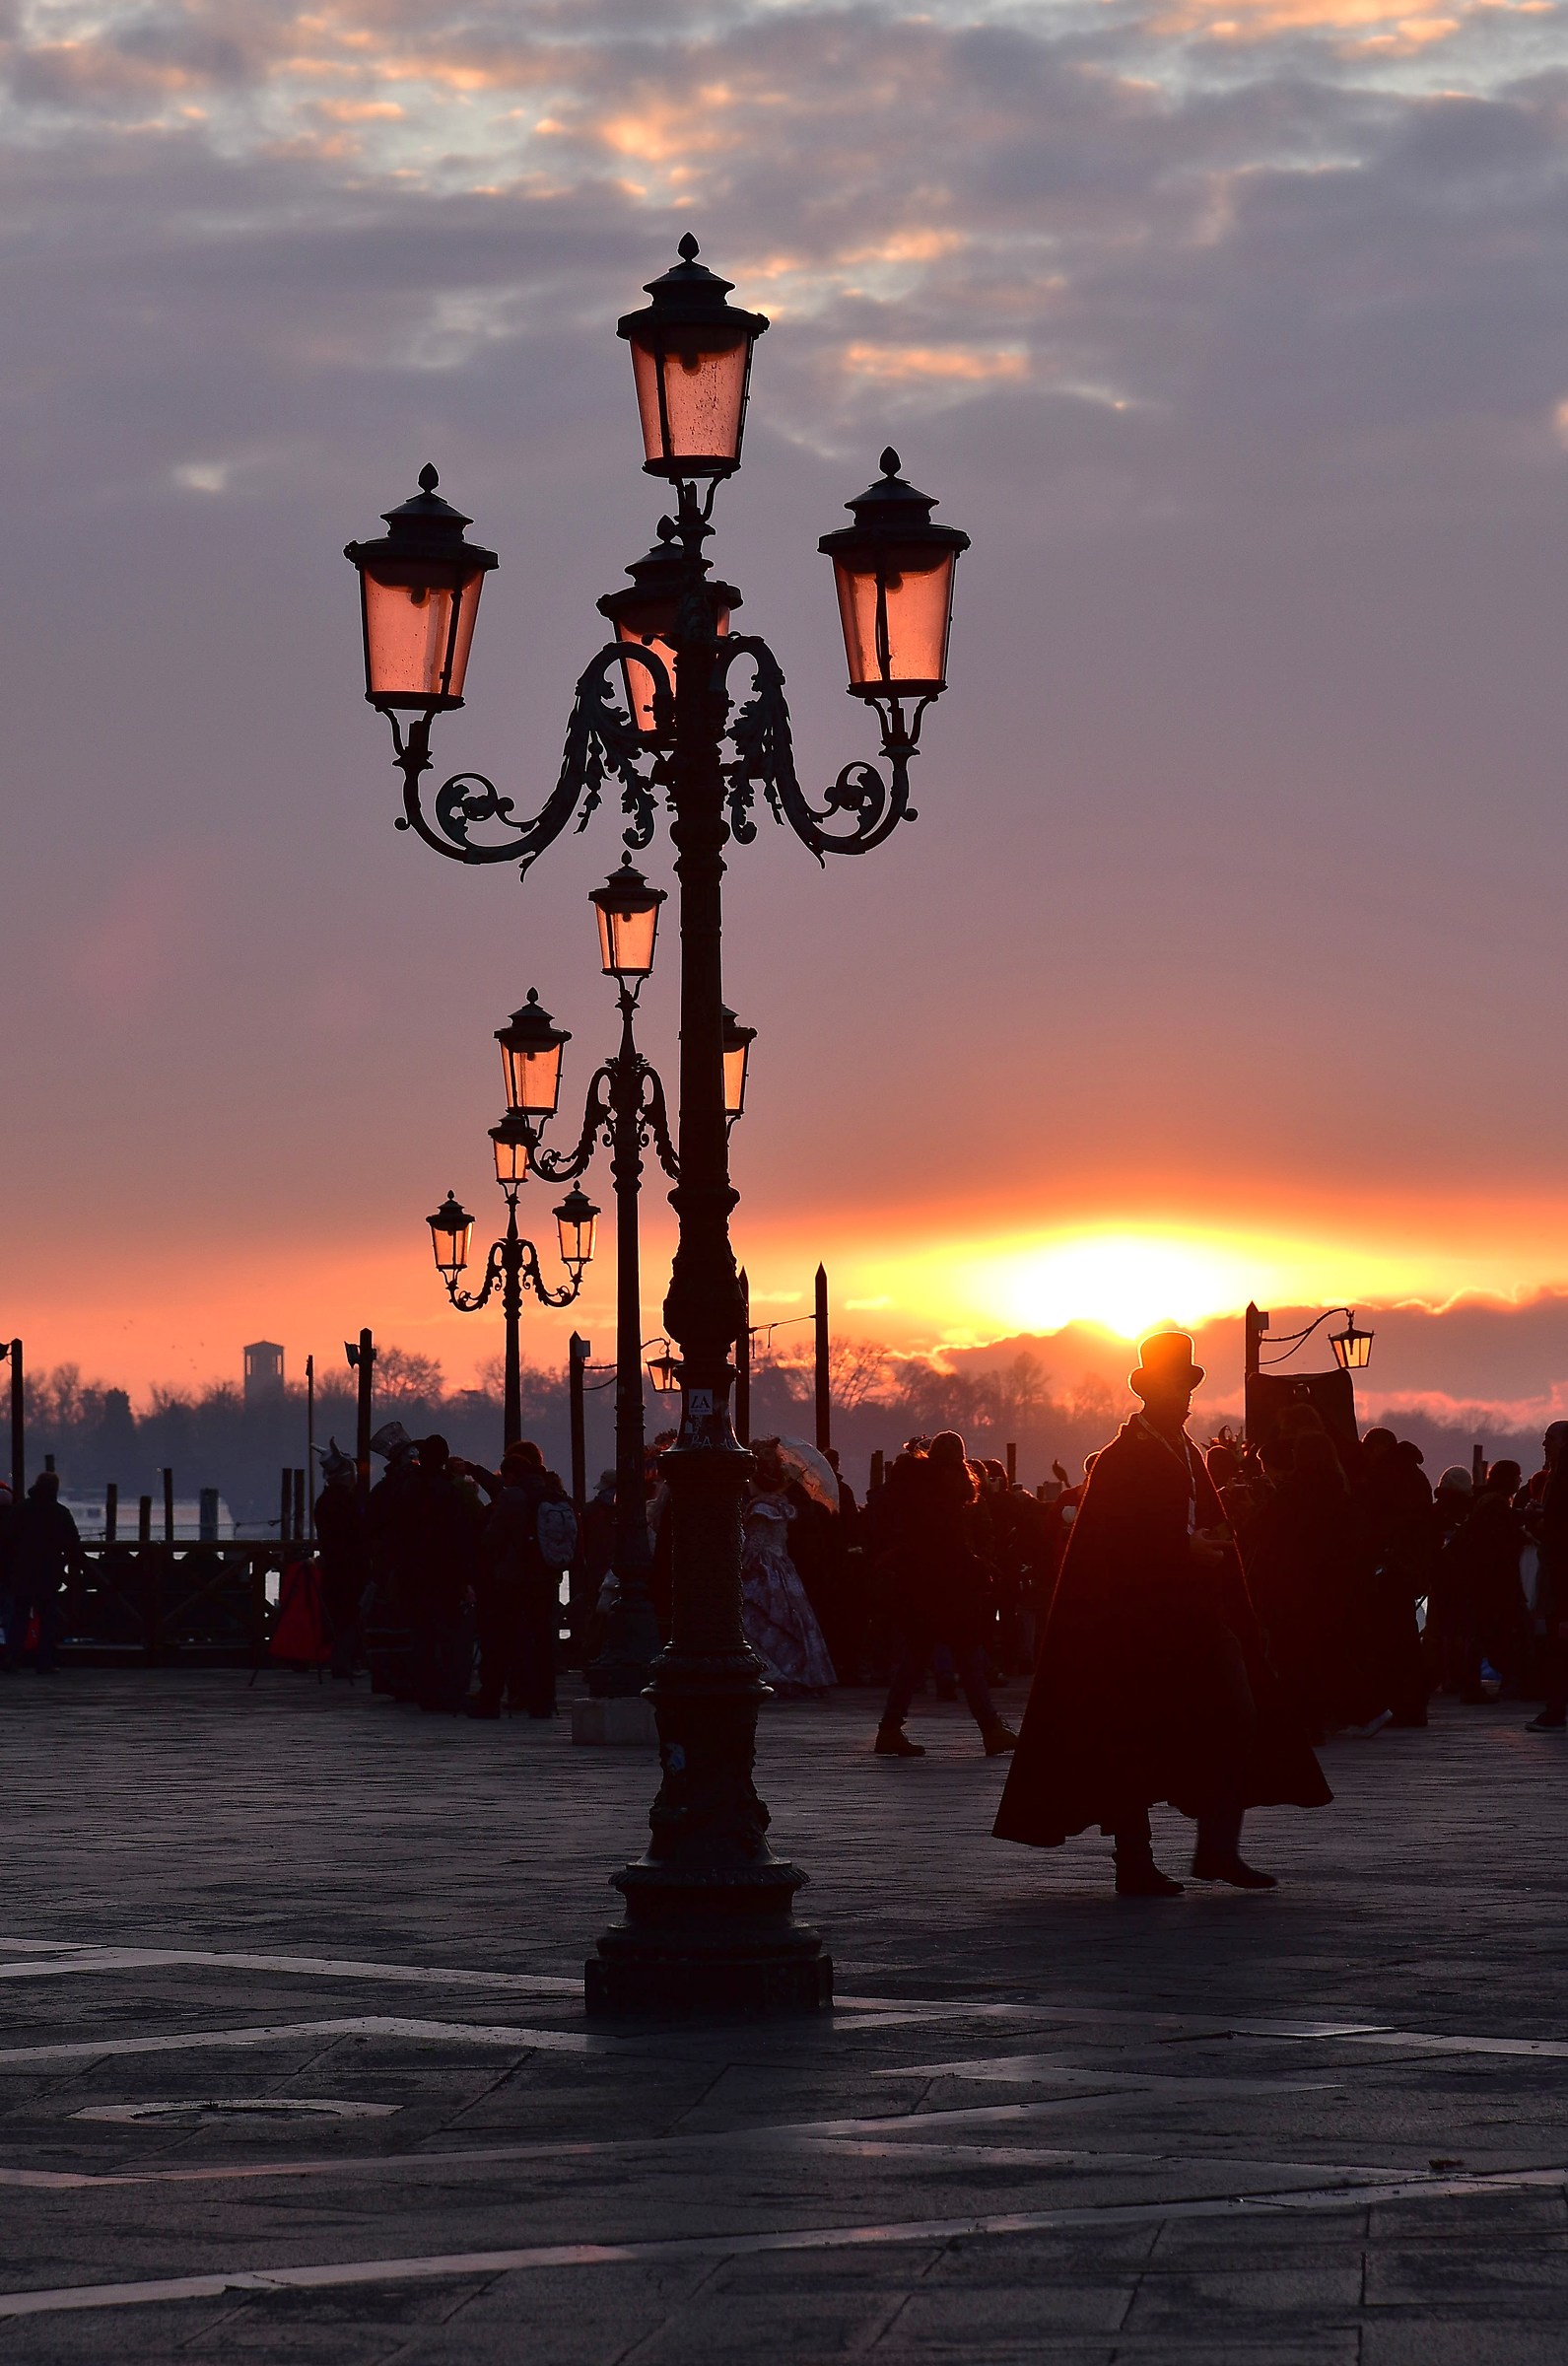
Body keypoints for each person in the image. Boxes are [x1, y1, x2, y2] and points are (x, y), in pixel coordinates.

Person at [994, 1332, 1331, 1895]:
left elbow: (1189, 1522)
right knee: (1131, 1734)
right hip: (1134, 1624)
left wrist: (1215, 1544)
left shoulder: (1185, 1452)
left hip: (1197, 1615)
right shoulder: (1123, 1459)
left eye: (1190, 1387)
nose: (1190, 1399)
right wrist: (1184, 1548)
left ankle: (1217, 1850)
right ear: (1156, 1392)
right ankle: (1135, 1860)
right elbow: (1113, 1544)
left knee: (1238, 1715)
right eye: (1182, 1387)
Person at [873, 1431, 1018, 1759]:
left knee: (914, 1659)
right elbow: (950, 1546)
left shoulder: (913, 1487)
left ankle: (890, 1728)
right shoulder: (946, 1493)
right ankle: (991, 1729)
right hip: (947, 1590)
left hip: (917, 1587)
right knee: (967, 1658)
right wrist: (980, 1567)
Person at [471, 1441, 572, 1718]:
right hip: (546, 1577)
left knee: (503, 1639)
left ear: (511, 1474)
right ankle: (544, 1701)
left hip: (514, 1579)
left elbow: (492, 1538)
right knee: (542, 1640)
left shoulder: (513, 1497)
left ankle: (492, 1699)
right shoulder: (551, 1493)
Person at [740, 1442, 836, 1695]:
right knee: (791, 1618)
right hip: (782, 1566)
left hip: (763, 1568)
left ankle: (772, 1669)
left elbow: (756, 1544)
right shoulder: (781, 1505)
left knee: (760, 1617)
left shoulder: (762, 1509)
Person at [5, 1472, 82, 1674]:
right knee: (47, 1618)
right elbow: (73, 1544)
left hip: (22, 1572)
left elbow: (7, 1540)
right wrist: (75, 1568)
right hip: (49, 1573)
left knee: (19, 1616)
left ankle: (12, 1658)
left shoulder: (20, 1509)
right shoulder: (60, 1512)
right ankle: (44, 1661)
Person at [312, 1440, 367, 1682]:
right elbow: (358, 1533)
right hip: (350, 1567)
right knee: (349, 1615)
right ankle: (344, 1662)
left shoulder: (323, 1502)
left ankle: (343, 1660)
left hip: (334, 1566)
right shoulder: (347, 1502)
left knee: (339, 1615)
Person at [1528, 1423, 1568, 1730]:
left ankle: (1555, 1710)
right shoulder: (1556, 1474)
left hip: (1560, 1572)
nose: (1544, 1444)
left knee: (1558, 1641)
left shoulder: (1562, 1476)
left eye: (1550, 1439)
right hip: (1557, 1568)